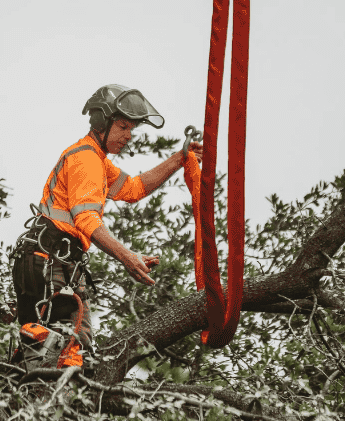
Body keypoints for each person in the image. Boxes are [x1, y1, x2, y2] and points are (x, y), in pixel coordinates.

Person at [10, 84, 203, 369]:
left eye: (132, 129)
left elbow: (134, 188)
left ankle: (39, 399)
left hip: (60, 260)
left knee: (73, 347)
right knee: (55, 347)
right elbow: (86, 219)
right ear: (102, 122)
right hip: (48, 258)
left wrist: (179, 158)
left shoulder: (98, 161)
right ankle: (29, 401)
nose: (128, 136)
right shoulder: (85, 158)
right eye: (123, 127)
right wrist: (128, 258)